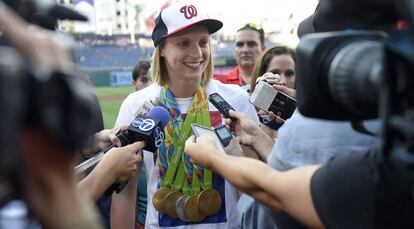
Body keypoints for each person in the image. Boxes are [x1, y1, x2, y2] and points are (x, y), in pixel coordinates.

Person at [113, 2, 258, 228]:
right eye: (183, 43)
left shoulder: (235, 100)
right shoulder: (136, 105)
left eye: (203, 42)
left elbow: (253, 183)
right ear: (161, 48)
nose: (197, 53)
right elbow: (124, 190)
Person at [184, 111, 414, 228]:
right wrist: (258, 138)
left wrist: (212, 157)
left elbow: (272, 189)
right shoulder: (392, 164)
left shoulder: (381, 176)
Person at [249, 45, 297, 137]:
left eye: (289, 74)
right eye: (275, 73)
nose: (283, 81)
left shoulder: (307, 112)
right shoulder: (246, 107)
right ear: (261, 75)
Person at [214, 23, 265, 91]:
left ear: (263, 49)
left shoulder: (274, 82)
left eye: (251, 44)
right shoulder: (218, 83)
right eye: (240, 45)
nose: (245, 50)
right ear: (234, 50)